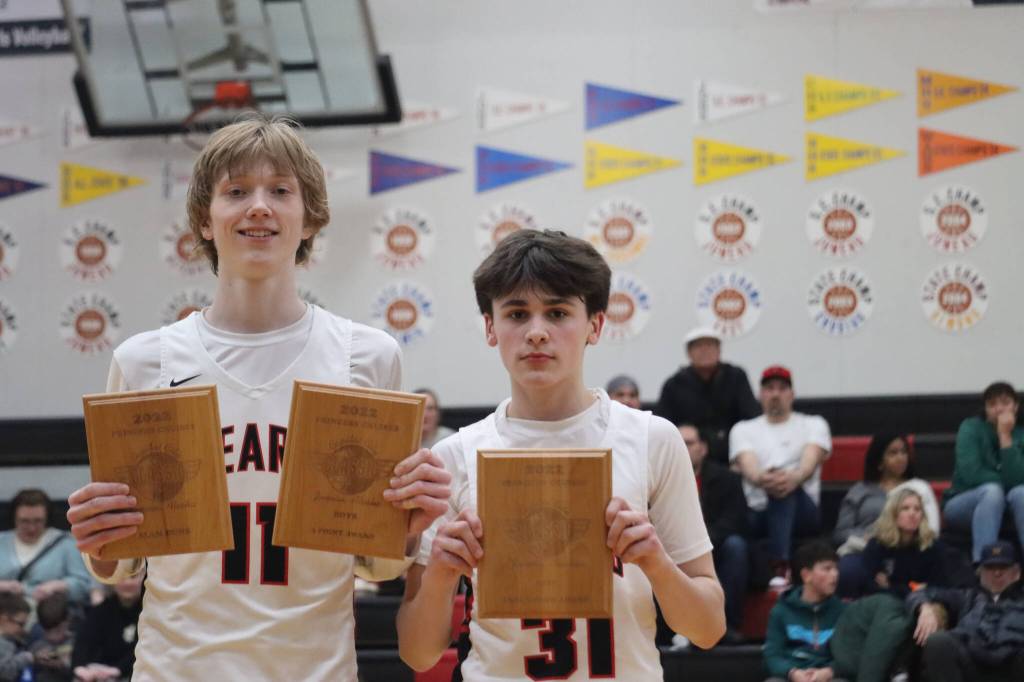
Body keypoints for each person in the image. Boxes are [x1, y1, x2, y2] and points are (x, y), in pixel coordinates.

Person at [63, 114, 451, 681]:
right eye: (236, 192)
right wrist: (97, 532)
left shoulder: (367, 356)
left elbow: (380, 561)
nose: (259, 207)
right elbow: (119, 559)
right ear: (203, 218)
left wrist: (412, 521)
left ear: (311, 214)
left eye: (280, 190)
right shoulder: (144, 361)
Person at [396, 229, 724, 680]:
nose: (536, 333)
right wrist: (438, 575)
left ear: (595, 324)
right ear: (491, 327)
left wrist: (655, 562)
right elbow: (418, 654)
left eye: (557, 312)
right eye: (516, 313)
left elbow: (707, 628)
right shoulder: (453, 456)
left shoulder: (653, 439)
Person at [730, 366, 831, 585]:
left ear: (792, 395)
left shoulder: (813, 424)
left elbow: (809, 462)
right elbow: (749, 467)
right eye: (769, 388)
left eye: (782, 388)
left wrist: (793, 478)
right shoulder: (743, 429)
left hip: (804, 512)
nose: (775, 394)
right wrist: (764, 478)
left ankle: (780, 564)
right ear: (760, 395)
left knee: (785, 489)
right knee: (780, 487)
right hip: (757, 512)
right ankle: (779, 564)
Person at [910, 541, 1024, 682]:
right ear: (980, 572)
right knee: (938, 641)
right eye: (990, 567)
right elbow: (920, 593)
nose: (997, 573)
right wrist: (925, 608)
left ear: (1017, 573)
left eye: (1003, 567)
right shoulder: (967, 596)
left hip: (1013, 665)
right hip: (971, 662)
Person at [680, 423, 749, 643]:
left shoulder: (727, 479)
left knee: (736, 546)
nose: (683, 448)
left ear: (703, 448)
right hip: (674, 547)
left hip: (715, 545)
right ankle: (672, 628)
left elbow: (734, 521)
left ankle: (727, 624)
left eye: (689, 443)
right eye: (678, 444)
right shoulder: (657, 479)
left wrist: (699, 542)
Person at [943, 381, 1024, 562]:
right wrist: (1007, 483)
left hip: (1012, 505)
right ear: (986, 409)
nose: (999, 409)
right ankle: (984, 566)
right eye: (992, 404)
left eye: (1005, 403)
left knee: (1022, 493)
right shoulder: (970, 428)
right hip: (965, 502)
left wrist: (1005, 436)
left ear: (1016, 406)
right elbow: (971, 474)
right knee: (992, 492)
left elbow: (1019, 480)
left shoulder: (1021, 433)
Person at [655, 326, 761, 464]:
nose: (704, 350)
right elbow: (663, 425)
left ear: (719, 350)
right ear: (689, 352)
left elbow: (751, 417)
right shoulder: (674, 384)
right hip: (689, 458)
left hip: (732, 454)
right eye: (698, 346)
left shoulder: (736, 377)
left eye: (710, 345)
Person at [832, 434, 940, 555]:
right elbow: (840, 533)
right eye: (893, 453)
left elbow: (932, 530)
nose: (901, 458)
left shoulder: (920, 488)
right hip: (862, 550)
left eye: (904, 452)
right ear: (879, 461)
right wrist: (866, 537)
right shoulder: (859, 491)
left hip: (906, 551)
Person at [763, 542, 847, 682]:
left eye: (836, 568)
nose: (835, 574)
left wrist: (828, 672)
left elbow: (848, 656)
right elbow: (772, 656)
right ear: (806, 575)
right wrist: (793, 673)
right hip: (792, 676)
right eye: (827, 569)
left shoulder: (843, 611)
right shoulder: (781, 611)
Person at [842, 488, 945, 599]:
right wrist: (911, 588)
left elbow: (936, 586)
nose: (912, 513)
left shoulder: (931, 545)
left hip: (921, 602)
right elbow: (869, 586)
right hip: (883, 603)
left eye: (917, 509)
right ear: (893, 513)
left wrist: (891, 586)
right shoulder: (877, 544)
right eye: (905, 508)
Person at [0, 489, 93, 609]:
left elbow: (83, 584)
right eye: (24, 521)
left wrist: (61, 586)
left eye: (38, 521)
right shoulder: (2, 541)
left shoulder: (65, 543)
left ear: (47, 518)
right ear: (14, 518)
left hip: (50, 619)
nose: (31, 528)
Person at [71, 573, 144, 682]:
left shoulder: (148, 616)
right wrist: (80, 668)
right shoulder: (100, 611)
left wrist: (117, 670)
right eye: (122, 578)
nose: (128, 583)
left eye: (133, 577)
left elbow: (144, 651)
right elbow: (82, 644)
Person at [28, 593, 73, 682]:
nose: (53, 637)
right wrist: (35, 659)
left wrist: (65, 663)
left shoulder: (77, 642)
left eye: (58, 630)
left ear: (68, 621)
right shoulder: (37, 645)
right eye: (48, 631)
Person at [0, 592, 32, 682]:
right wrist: (26, 657)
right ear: (4, 619)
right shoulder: (3, 643)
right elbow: (5, 672)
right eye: (21, 624)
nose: (23, 629)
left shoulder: (10, 638)